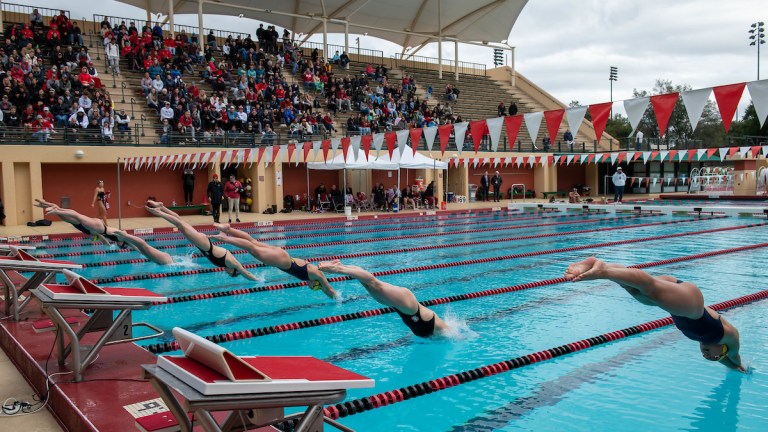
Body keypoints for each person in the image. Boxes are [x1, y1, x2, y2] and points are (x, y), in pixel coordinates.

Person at [564, 257, 745, 372]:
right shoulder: (729, 337)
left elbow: (727, 361)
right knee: (650, 289)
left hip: (678, 303)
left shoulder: (710, 342)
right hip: (692, 306)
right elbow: (734, 357)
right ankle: (602, 271)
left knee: (637, 292)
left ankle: (595, 266)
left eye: (708, 358)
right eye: (714, 356)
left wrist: (736, 370)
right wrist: (739, 364)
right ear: (724, 349)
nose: (707, 356)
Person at [318, 260, 449, 337]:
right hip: (413, 311)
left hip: (408, 313)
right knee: (375, 285)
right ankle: (340, 269)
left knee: (371, 286)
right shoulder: (446, 333)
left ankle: (342, 266)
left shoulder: (441, 331)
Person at [211, 224, 338, 299]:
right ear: (315, 284)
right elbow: (329, 289)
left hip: (283, 257)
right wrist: (339, 299)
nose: (309, 287)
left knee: (253, 242)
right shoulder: (316, 274)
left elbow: (325, 288)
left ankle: (228, 229)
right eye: (313, 288)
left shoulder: (313, 274)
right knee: (252, 248)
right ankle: (224, 238)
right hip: (282, 261)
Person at [145, 201, 257, 279]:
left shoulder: (228, 264)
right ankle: (159, 212)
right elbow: (245, 272)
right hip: (205, 245)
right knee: (180, 224)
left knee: (181, 222)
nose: (227, 273)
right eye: (230, 274)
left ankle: (162, 207)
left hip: (203, 245)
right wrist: (258, 280)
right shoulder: (233, 263)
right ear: (233, 271)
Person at [34, 199, 124, 246]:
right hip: (97, 226)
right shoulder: (96, 233)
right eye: (93, 239)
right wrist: (107, 244)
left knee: (64, 216)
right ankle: (55, 210)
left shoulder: (90, 232)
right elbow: (102, 238)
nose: (92, 239)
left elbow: (101, 237)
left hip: (85, 225)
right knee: (75, 215)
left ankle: (45, 204)